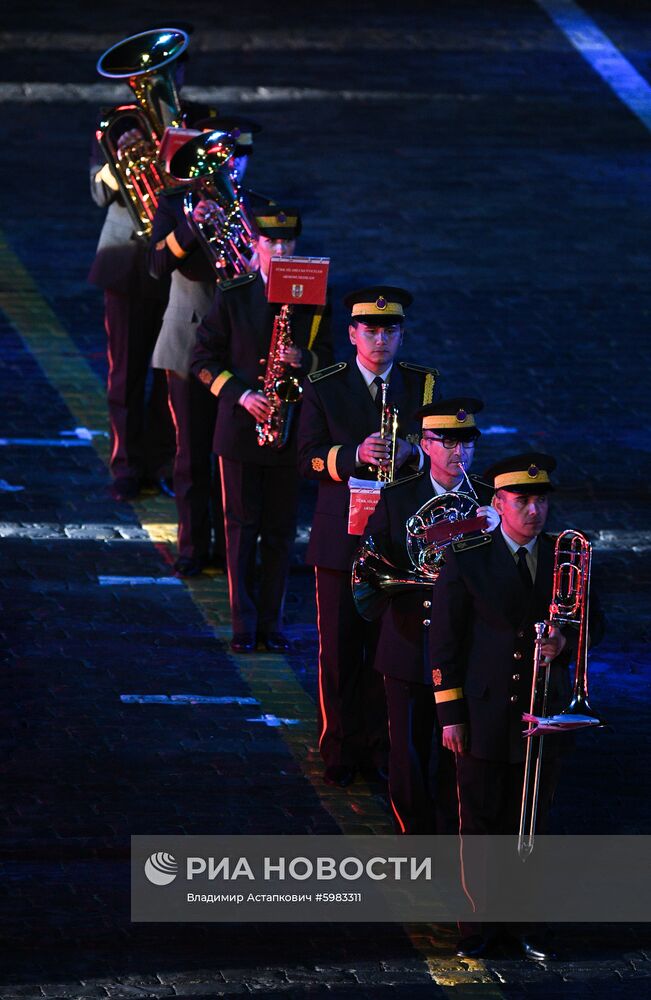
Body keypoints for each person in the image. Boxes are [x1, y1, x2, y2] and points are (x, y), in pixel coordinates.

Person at [429, 452, 604, 959]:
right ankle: (478, 926)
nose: (534, 511)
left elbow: (594, 623)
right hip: (485, 712)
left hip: (543, 713)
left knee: (531, 820)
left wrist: (564, 645)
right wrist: (451, 716)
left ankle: (526, 923)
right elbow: (443, 644)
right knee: (480, 823)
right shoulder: (467, 556)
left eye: (540, 501)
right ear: (498, 503)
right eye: (522, 501)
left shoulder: (564, 555)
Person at [297, 286, 440, 788]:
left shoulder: (421, 386)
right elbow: (306, 456)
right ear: (353, 334)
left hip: (399, 542)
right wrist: (352, 453)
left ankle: (383, 748)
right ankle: (339, 746)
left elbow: (441, 455)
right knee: (338, 651)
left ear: (401, 335)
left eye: (391, 331)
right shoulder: (325, 384)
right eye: (371, 331)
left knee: (390, 651)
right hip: (341, 537)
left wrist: (414, 456)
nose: (381, 340)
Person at [191, 206, 333, 651]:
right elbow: (201, 361)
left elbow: (332, 361)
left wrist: (304, 361)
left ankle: (270, 626)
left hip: (290, 435)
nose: (279, 249)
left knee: (279, 534)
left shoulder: (313, 300)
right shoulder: (233, 294)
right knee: (240, 531)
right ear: (256, 246)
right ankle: (242, 626)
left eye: (287, 242)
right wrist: (241, 394)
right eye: (271, 242)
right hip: (239, 433)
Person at [364, 397, 499, 833]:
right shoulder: (398, 497)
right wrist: (463, 531)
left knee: (455, 749)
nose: (459, 453)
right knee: (407, 750)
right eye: (447, 443)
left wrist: (493, 534)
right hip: (408, 637)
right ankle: (412, 834)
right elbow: (375, 561)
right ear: (424, 443)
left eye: (467, 443)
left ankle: (449, 834)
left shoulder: (489, 501)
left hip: (464, 646)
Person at [148, 114, 263, 576]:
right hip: (187, 342)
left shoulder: (258, 208)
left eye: (238, 158)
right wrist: (192, 229)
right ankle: (193, 548)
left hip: (238, 350)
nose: (231, 167)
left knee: (230, 456)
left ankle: (231, 549)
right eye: (223, 159)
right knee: (191, 454)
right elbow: (156, 266)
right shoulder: (176, 203)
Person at [88, 29, 194, 501]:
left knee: (170, 371)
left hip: (177, 264)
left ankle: (166, 461)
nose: (156, 83)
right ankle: (127, 466)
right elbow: (98, 191)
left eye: (166, 74)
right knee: (126, 371)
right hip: (128, 261)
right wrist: (120, 162)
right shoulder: (117, 125)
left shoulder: (196, 123)